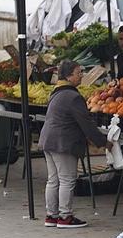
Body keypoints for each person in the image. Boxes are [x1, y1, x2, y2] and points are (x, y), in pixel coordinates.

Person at [39, 59, 108, 229]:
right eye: (78, 73)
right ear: (69, 76)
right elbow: (86, 124)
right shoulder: (73, 97)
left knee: (53, 180)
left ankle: (51, 215)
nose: (81, 76)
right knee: (67, 179)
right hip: (63, 143)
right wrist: (103, 142)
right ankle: (65, 216)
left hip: (49, 140)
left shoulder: (56, 92)